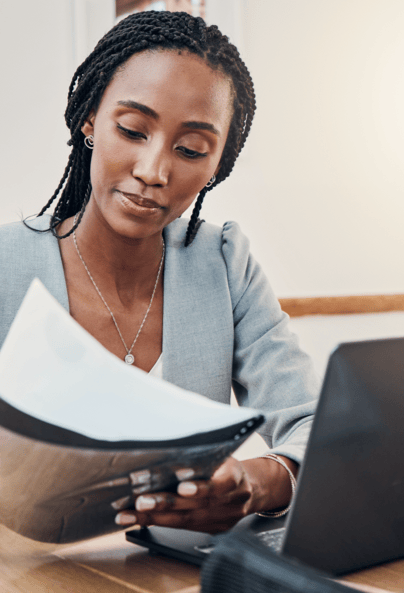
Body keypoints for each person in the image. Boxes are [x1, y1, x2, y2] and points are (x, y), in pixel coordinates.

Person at [0, 10, 318, 534]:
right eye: (131, 129)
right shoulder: (8, 265)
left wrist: (259, 481)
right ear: (89, 119)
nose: (153, 171)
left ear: (219, 163)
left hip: (174, 575)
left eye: (191, 148)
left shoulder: (223, 263)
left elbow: (314, 426)